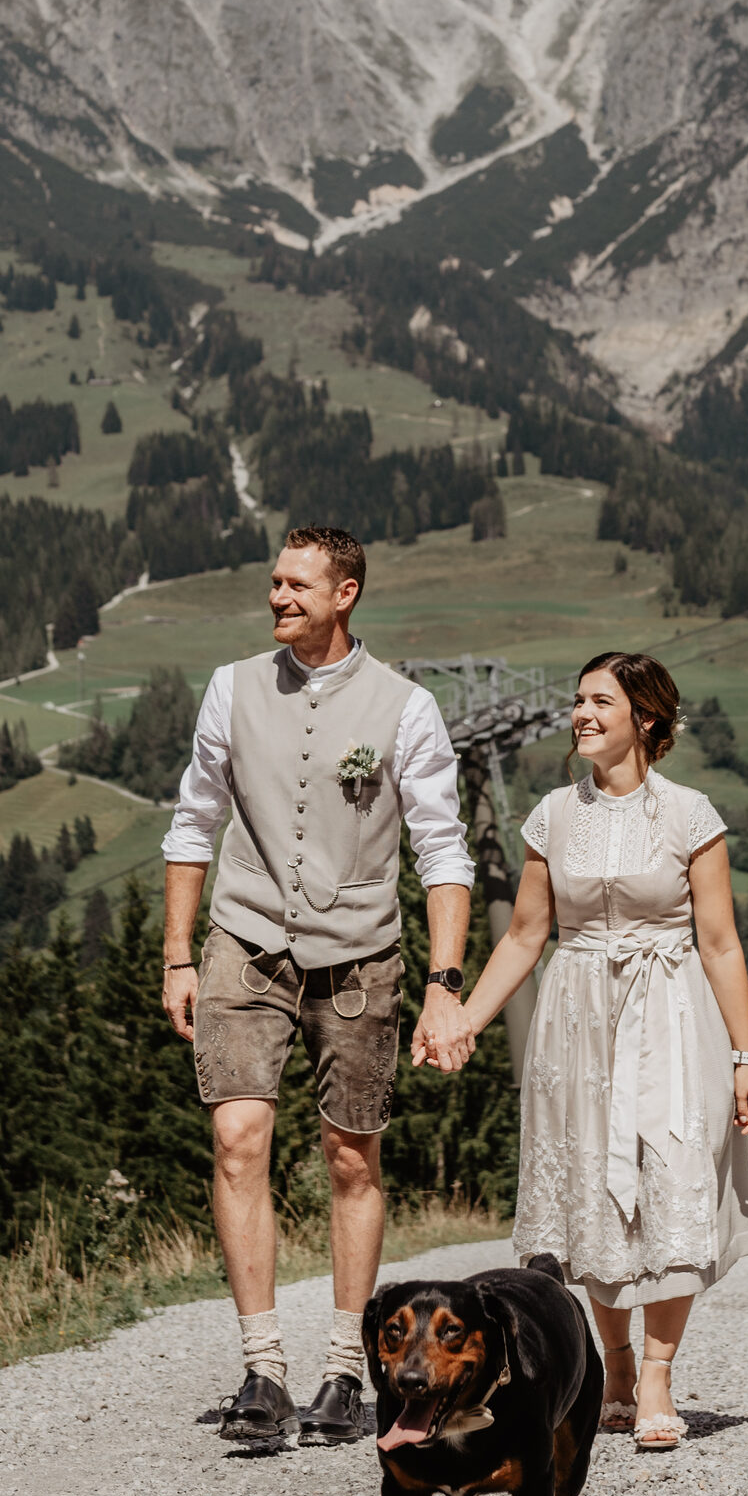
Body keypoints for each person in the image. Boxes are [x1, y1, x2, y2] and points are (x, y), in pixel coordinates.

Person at [161, 524, 475, 1448]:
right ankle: (263, 1369)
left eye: (297, 585)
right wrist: (178, 955)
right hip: (245, 942)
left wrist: (444, 983)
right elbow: (193, 822)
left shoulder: (407, 707)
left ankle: (344, 1370)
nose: (278, 597)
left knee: (351, 1157)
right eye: (274, 582)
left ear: (346, 594)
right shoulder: (232, 688)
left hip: (361, 955)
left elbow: (442, 849)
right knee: (237, 1138)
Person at [454, 650, 748, 1448]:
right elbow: (524, 937)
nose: (582, 715)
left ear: (645, 718)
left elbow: (721, 943)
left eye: (601, 702)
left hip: (671, 1014)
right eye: (578, 701)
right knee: (595, 1192)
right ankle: (616, 1368)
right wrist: (464, 1020)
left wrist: (746, 1057)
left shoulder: (690, 814)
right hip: (577, 1021)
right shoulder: (553, 816)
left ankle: (657, 1375)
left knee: (672, 1179)